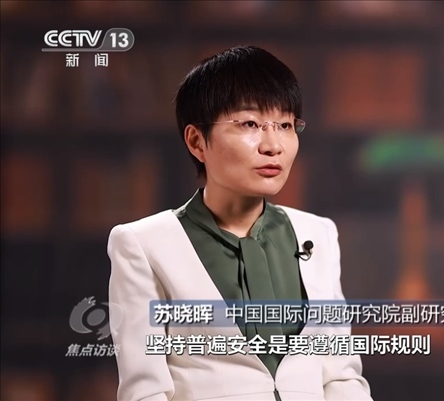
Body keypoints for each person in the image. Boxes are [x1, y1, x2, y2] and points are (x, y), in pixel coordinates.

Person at [107, 45, 373, 401]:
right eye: (250, 124)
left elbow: (341, 377)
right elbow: (145, 391)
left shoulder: (318, 234)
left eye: (285, 125)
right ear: (197, 141)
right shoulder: (143, 244)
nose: (273, 145)